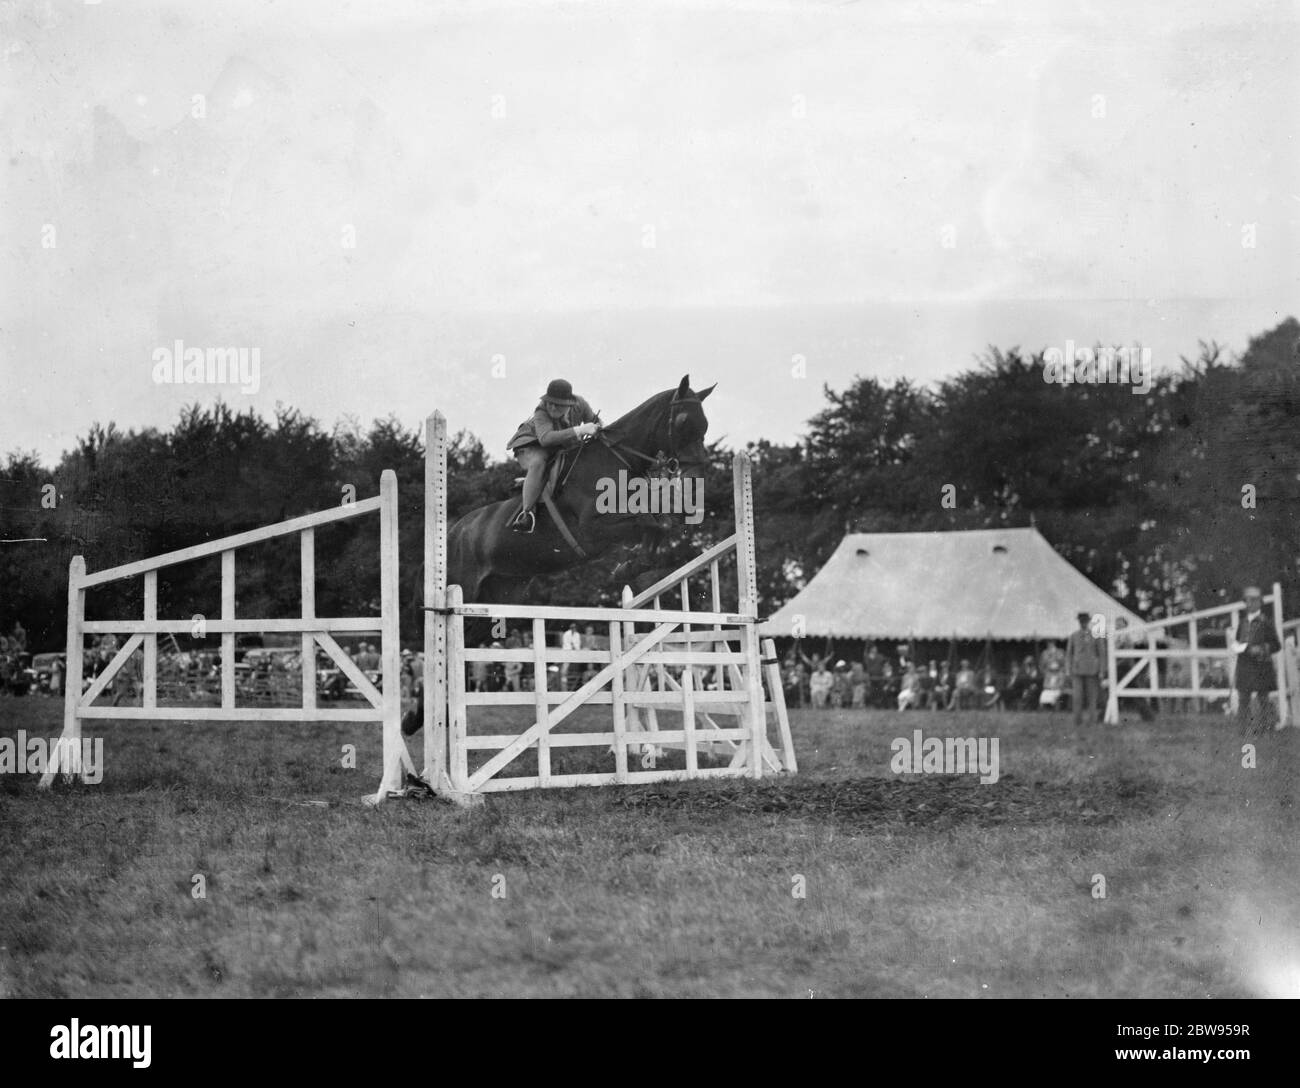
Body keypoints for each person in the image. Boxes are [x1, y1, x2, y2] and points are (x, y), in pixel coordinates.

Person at [506, 378, 601, 534]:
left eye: (557, 404)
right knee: (539, 461)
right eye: (549, 402)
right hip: (531, 445)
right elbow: (545, 439)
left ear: (569, 404)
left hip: (557, 446)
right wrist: (580, 430)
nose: (551, 406)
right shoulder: (541, 411)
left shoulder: (581, 404)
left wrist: (598, 430)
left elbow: (596, 424)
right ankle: (526, 514)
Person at [1231, 585, 1282, 736]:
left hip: (1261, 666)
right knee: (1243, 699)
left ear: (1260, 603)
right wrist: (1237, 646)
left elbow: (1276, 645)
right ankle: (1243, 730)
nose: (1250, 604)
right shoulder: (1242, 622)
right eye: (1248, 601)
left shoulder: (1266, 622)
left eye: (1254, 601)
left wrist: (1261, 649)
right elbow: (1237, 641)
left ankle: (1266, 729)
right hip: (1245, 665)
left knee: (1263, 698)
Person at [1065, 612, 1105, 726]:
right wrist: (1068, 669)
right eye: (1081, 621)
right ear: (1079, 622)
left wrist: (1102, 670)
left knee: (1092, 697)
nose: (1083, 623)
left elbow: (1102, 654)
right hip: (1077, 670)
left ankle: (1092, 720)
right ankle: (1077, 721)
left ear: (1088, 622)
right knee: (1077, 697)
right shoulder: (1074, 636)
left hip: (1092, 670)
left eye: (1085, 620)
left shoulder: (1096, 635)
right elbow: (1069, 654)